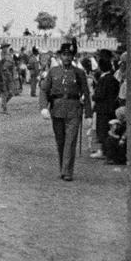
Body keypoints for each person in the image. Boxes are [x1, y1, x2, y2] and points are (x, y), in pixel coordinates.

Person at [38, 41, 92, 180]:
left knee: (70, 141)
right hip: (57, 109)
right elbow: (44, 90)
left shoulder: (79, 73)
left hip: (74, 109)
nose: (67, 57)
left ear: (73, 57)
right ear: (60, 56)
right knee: (61, 141)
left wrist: (89, 114)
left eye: (69, 55)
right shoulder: (53, 72)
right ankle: (63, 167)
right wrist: (43, 107)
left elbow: (86, 93)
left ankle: (67, 172)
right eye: (64, 55)